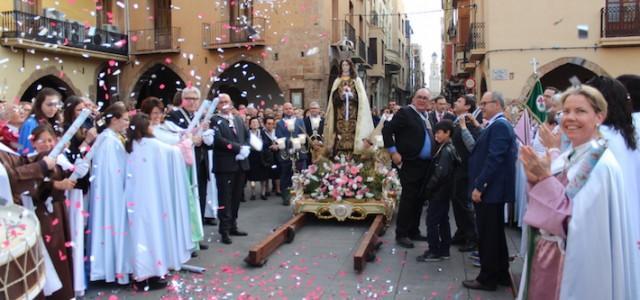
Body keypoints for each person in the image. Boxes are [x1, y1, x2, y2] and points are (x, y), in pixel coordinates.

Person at [518, 85, 639, 299]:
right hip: (549, 257)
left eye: (580, 111)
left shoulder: (597, 162)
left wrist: (544, 179)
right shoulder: (571, 155)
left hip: (572, 266)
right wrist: (535, 179)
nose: (570, 118)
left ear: (599, 117)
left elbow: (568, 219)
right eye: (566, 111)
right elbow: (553, 199)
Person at [124, 113, 194, 290]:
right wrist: (187, 142)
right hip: (151, 198)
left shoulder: (130, 144)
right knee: (153, 234)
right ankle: (154, 272)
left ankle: (139, 274)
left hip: (134, 198)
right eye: (149, 125)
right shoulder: (153, 144)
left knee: (138, 234)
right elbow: (173, 152)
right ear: (144, 127)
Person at [463, 91, 517, 291]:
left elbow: (494, 159)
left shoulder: (500, 125)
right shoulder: (496, 124)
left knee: (487, 235)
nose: (481, 106)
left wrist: (479, 186)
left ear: (496, 104)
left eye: (484, 103)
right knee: (495, 234)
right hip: (492, 190)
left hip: (490, 191)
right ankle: (501, 273)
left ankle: (487, 278)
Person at [382, 88, 434, 249]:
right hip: (410, 162)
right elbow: (387, 130)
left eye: (425, 98)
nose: (422, 100)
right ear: (413, 98)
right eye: (419, 97)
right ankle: (402, 233)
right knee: (408, 199)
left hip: (425, 164)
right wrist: (393, 152)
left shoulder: (425, 116)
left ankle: (414, 230)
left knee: (419, 198)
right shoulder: (405, 113)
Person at [87, 103, 130, 285]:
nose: (128, 123)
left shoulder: (115, 137)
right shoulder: (107, 140)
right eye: (125, 119)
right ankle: (108, 269)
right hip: (110, 193)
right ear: (114, 120)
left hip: (117, 188)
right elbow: (110, 170)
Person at [164, 88, 208, 247]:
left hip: (200, 162)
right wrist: (191, 139)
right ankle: (186, 238)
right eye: (188, 98)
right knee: (186, 200)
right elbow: (173, 138)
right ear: (182, 100)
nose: (192, 101)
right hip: (184, 165)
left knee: (200, 198)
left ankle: (198, 234)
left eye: (195, 99)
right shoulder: (173, 116)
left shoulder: (200, 116)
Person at [417, 120, 460, 262]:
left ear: (448, 133)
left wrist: (429, 188)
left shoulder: (446, 150)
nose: (436, 135)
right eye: (435, 132)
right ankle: (444, 249)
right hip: (444, 191)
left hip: (440, 191)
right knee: (442, 220)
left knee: (432, 220)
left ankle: (434, 250)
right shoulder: (446, 147)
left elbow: (440, 173)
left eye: (439, 132)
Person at [210, 93, 250, 244]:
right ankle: (224, 230)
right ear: (218, 105)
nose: (225, 104)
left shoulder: (238, 119)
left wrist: (245, 147)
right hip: (225, 166)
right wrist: (238, 148)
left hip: (240, 164)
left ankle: (233, 225)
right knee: (225, 198)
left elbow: (246, 136)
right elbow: (218, 140)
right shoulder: (214, 120)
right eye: (221, 102)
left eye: (227, 101)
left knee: (235, 197)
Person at [324, 59, 374, 156]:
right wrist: (341, 97)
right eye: (343, 65)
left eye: (347, 65)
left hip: (353, 115)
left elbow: (362, 99)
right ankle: (339, 157)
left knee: (354, 134)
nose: (345, 67)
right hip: (340, 116)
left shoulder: (356, 80)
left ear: (350, 66)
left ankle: (354, 156)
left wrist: (353, 96)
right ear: (341, 67)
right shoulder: (337, 81)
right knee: (339, 135)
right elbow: (333, 99)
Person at [449, 94, 480, 252]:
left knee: (465, 204)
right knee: (457, 201)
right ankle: (461, 233)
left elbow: (473, 146)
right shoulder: (456, 122)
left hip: (466, 169)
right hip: (457, 168)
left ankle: (472, 237)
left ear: (467, 107)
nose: (455, 101)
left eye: (459, 101)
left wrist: (464, 128)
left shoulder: (469, 123)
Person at [275, 102, 306, 205]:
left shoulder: (300, 121)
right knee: (286, 175)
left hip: (299, 152)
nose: (289, 110)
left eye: (290, 108)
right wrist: (290, 141)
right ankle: (286, 197)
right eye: (286, 109)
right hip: (286, 152)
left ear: (293, 109)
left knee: (301, 173)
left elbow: (303, 134)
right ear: (283, 110)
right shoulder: (280, 123)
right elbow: (279, 136)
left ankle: (301, 195)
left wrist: (298, 142)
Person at [18, 88, 63, 154]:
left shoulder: (54, 123)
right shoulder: (31, 123)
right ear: (39, 104)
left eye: (56, 105)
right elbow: (25, 150)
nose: (53, 109)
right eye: (49, 105)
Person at [247, 117, 270, 200]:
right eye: (253, 122)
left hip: (261, 156)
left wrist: (261, 142)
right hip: (251, 156)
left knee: (263, 176)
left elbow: (267, 142)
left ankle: (263, 192)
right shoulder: (247, 133)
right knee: (252, 176)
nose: (255, 124)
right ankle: (253, 193)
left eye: (256, 122)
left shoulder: (262, 132)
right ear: (249, 124)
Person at [262, 116, 281, 196]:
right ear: (264, 124)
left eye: (272, 124)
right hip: (266, 156)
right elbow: (261, 144)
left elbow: (281, 141)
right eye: (268, 124)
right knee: (266, 173)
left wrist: (277, 146)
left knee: (277, 172)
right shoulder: (262, 133)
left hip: (276, 155)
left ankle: (278, 189)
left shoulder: (276, 132)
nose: (270, 126)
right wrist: (269, 147)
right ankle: (266, 189)